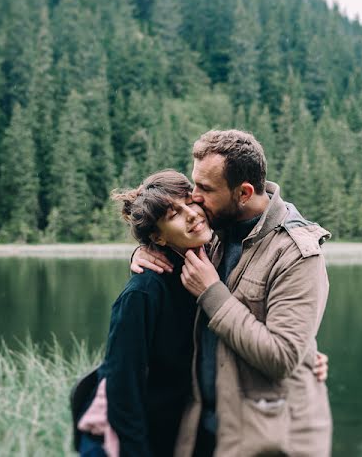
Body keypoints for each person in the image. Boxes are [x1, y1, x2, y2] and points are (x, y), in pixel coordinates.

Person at [74, 168, 328, 457]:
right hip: (125, 442)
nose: (192, 214)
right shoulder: (143, 293)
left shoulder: (212, 262)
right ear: (157, 238)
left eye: (189, 202)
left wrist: (305, 355)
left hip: (178, 433)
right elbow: (121, 392)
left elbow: (246, 325)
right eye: (173, 215)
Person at [133, 130, 332, 457]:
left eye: (205, 189)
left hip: (273, 442)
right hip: (206, 432)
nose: (194, 197)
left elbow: (282, 357)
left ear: (244, 193)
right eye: (195, 184)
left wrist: (212, 292)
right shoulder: (212, 231)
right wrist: (145, 251)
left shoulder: (298, 254)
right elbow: (167, 232)